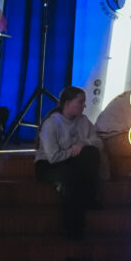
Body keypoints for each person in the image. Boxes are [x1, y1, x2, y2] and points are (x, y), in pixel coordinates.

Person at [35, 86, 103, 240]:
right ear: (67, 103)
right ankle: (72, 227)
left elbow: (99, 143)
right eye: (80, 102)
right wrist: (72, 151)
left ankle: (89, 197)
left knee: (91, 152)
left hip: (70, 161)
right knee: (73, 178)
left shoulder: (83, 121)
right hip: (48, 164)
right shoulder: (52, 123)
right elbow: (52, 157)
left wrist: (83, 143)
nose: (84, 105)